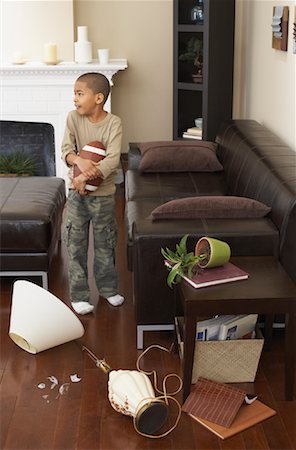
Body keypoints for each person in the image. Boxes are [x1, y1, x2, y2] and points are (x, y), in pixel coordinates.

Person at [61, 72, 124, 315]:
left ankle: (108, 290)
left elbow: (112, 160)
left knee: (105, 244)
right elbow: (67, 150)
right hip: (76, 195)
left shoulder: (114, 123)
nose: (74, 98)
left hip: (104, 196)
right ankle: (79, 295)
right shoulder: (72, 119)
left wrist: (84, 176)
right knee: (75, 244)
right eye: (74, 93)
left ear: (98, 98)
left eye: (79, 93)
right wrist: (78, 162)